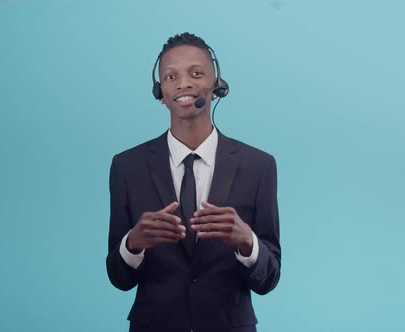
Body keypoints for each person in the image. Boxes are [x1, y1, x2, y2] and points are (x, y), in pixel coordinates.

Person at [106, 32, 281, 332]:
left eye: (196, 73)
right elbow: (119, 278)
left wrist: (247, 242)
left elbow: (269, 278)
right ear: (159, 92)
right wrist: (133, 244)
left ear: (217, 87)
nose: (183, 83)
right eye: (170, 76)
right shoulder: (126, 167)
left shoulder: (259, 166)